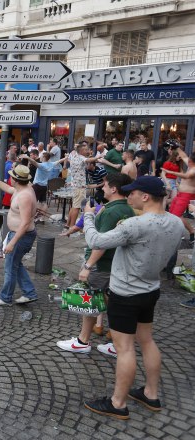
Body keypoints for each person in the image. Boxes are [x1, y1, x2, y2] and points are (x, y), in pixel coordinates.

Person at [82, 176, 184, 419]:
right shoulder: (176, 222)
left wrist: (88, 215)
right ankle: (150, 393)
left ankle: (118, 403)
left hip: (126, 293)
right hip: (150, 290)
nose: (128, 197)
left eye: (132, 193)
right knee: (146, 341)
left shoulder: (134, 225)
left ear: (145, 197)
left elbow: (95, 240)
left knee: (124, 348)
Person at [56, 173, 135, 356]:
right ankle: (117, 344)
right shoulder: (126, 209)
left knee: (91, 301)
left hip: (102, 265)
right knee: (112, 303)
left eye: (105, 185)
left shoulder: (111, 211)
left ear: (114, 189)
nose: (102, 188)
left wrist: (88, 266)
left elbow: (101, 243)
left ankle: (83, 341)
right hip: (115, 264)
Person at [0, 165, 39, 306]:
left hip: (21, 236)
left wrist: (12, 243)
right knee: (16, 264)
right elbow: (9, 189)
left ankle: (5, 297)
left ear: (16, 179)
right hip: (18, 234)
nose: (9, 178)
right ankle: (30, 293)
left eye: (11, 176)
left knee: (10, 267)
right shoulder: (22, 188)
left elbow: (24, 223)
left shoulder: (25, 196)